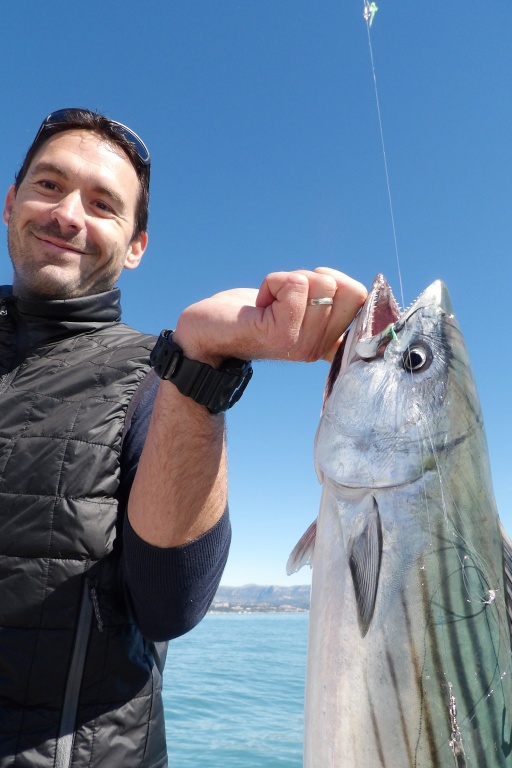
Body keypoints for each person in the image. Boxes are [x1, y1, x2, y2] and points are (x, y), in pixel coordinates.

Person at [0, 107, 367, 767]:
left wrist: (198, 367)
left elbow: (171, 602)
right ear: (11, 202)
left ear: (137, 246)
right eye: (48, 185)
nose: (67, 214)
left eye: (104, 204)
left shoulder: (152, 380)